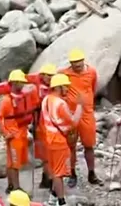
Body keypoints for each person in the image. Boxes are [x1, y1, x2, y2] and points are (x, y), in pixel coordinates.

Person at [60, 48, 101, 187]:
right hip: (70, 115)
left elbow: (93, 88)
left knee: (89, 145)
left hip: (87, 114)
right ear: (70, 63)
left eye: (79, 62)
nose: (77, 65)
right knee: (70, 146)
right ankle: (72, 173)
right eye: (74, 63)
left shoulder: (92, 72)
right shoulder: (64, 74)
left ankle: (92, 173)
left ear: (84, 61)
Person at [42, 74, 83, 206]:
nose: (67, 89)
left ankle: (52, 197)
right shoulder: (60, 104)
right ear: (59, 87)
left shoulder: (46, 100)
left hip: (49, 138)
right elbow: (73, 122)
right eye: (66, 86)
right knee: (58, 173)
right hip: (58, 140)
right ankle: (61, 201)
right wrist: (80, 106)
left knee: (55, 169)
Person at [0, 70, 35, 192]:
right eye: (20, 82)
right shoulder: (7, 101)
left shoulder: (22, 98)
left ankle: (11, 185)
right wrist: (5, 133)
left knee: (14, 162)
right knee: (14, 163)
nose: (22, 85)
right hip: (13, 135)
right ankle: (16, 187)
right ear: (14, 83)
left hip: (21, 132)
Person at [35, 64, 57, 189]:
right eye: (47, 75)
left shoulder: (55, 88)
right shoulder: (38, 89)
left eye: (51, 76)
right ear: (42, 75)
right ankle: (48, 179)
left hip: (51, 124)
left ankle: (47, 178)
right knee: (47, 154)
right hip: (43, 124)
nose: (49, 78)